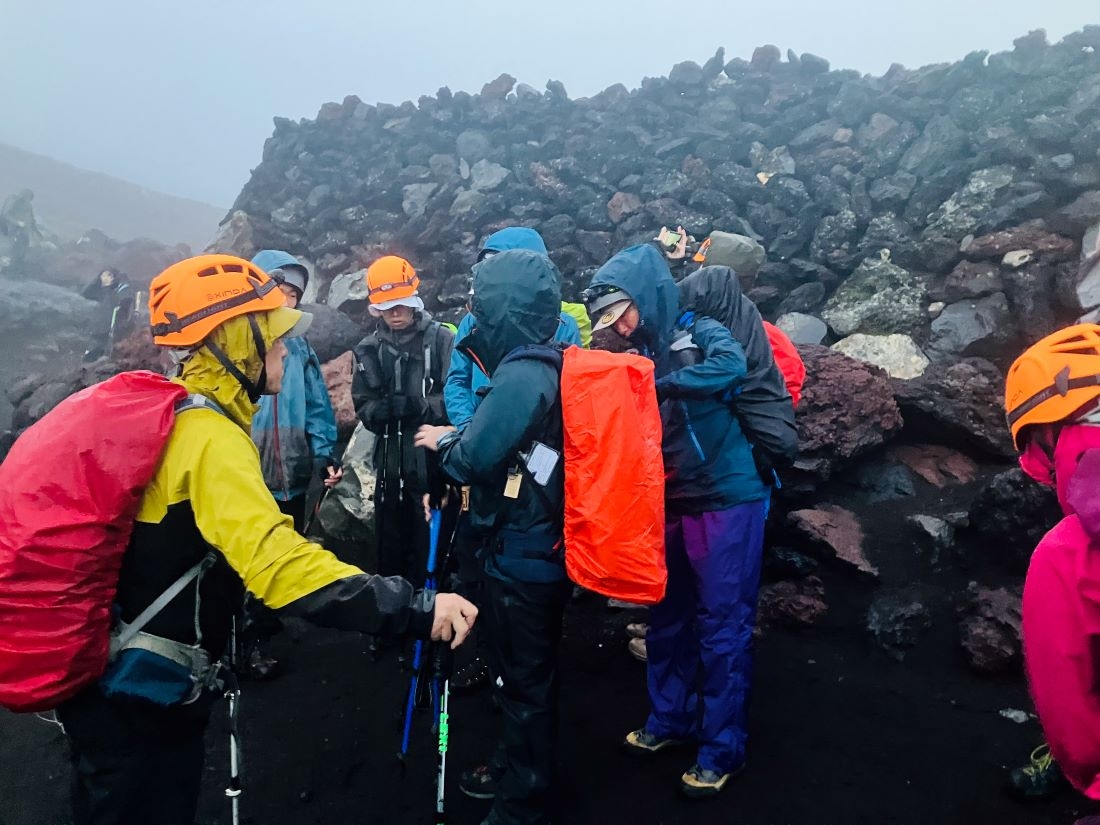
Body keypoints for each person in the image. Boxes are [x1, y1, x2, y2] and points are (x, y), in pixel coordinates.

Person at [56, 254, 477, 825]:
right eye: (272, 335)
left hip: (111, 678)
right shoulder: (208, 437)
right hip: (143, 693)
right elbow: (279, 568)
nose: (284, 349)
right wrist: (416, 608)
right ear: (235, 342)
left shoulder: (174, 412)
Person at [585, 243, 769, 798]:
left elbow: (731, 366)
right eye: (609, 320)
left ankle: (722, 749)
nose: (619, 326)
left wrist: (662, 383)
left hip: (728, 496)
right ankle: (670, 719)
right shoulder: (638, 352)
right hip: (672, 500)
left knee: (722, 625)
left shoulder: (698, 328)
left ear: (643, 296)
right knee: (666, 616)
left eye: (622, 312)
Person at [416, 249, 569, 825]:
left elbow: (474, 459)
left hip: (523, 551)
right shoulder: (543, 363)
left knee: (524, 681)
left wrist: (446, 443)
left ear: (504, 308)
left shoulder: (523, 374)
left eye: (482, 301)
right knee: (523, 675)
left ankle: (520, 806)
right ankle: (515, 772)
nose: (473, 311)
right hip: (534, 543)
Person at [443, 226, 581, 693]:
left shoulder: (548, 344)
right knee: (476, 559)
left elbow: (551, 410)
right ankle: (495, 659)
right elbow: (457, 380)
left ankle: (514, 673)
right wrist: (472, 427)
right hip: (488, 449)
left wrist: (466, 442)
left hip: (517, 483)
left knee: (512, 577)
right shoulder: (482, 323)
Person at [243, 249, 342, 679]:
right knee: (244, 556)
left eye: (293, 295)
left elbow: (317, 402)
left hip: (293, 472)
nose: (286, 300)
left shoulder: (297, 346)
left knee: (283, 545)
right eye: (279, 289)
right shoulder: (237, 342)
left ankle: (265, 620)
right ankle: (244, 643)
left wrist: (324, 451)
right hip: (249, 473)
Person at [352, 255, 454, 584]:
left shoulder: (441, 340)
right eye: (387, 307)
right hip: (389, 469)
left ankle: (431, 605)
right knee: (389, 555)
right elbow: (362, 404)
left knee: (429, 555)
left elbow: (458, 398)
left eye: (400, 305)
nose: (395, 313)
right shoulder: (367, 349)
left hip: (432, 468)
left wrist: (418, 406)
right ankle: (393, 609)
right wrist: (377, 412)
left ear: (413, 300)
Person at [81, 268, 134, 361]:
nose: (106, 278)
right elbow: (85, 293)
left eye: (109, 275)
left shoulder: (116, 291)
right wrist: (96, 281)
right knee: (93, 352)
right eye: (104, 275)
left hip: (109, 328)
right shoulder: (99, 291)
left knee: (106, 353)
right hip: (97, 327)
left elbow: (125, 300)